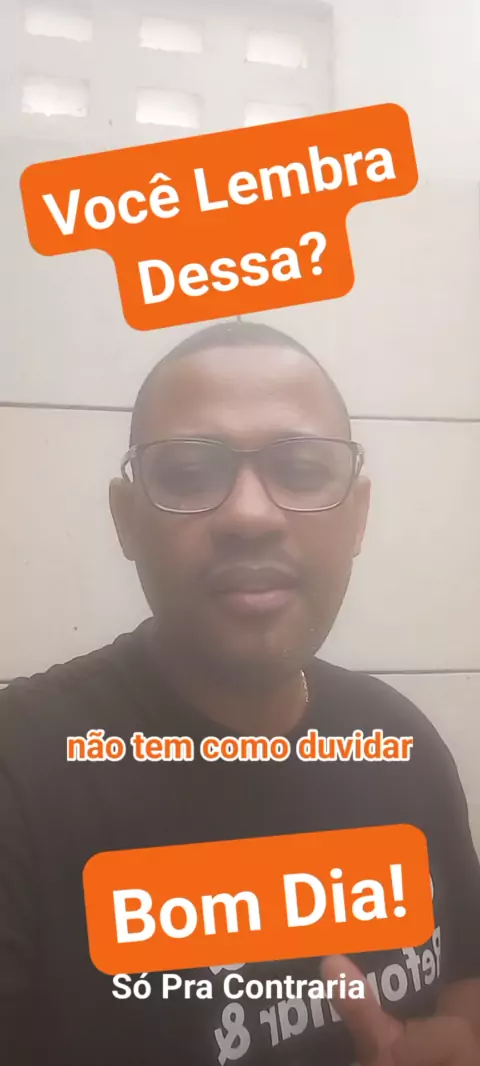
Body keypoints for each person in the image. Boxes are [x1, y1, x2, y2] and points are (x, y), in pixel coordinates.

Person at [0, 320, 479, 1066]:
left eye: (302, 469)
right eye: (190, 473)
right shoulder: (20, 776)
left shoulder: (400, 742)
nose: (249, 515)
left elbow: (465, 976)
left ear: (357, 516)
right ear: (126, 521)